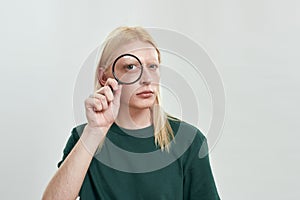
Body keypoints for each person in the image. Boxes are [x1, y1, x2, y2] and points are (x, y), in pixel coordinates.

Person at [42, 26, 221, 200]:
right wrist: (95, 131)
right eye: (130, 67)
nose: (147, 79)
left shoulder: (188, 141)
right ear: (104, 77)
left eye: (152, 66)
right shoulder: (84, 138)